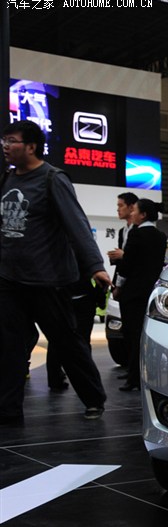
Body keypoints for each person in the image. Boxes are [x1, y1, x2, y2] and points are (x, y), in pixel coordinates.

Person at [0, 120, 112, 423]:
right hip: (9, 278)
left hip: (47, 280)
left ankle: (93, 398)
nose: (6, 146)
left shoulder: (52, 178)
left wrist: (95, 266)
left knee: (66, 342)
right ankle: (9, 411)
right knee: (10, 345)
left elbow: (77, 224)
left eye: (11, 141)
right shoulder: (7, 178)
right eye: (4, 141)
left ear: (31, 146)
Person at [114, 198, 167, 392]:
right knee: (144, 334)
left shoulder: (136, 234)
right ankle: (142, 374)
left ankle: (133, 377)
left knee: (131, 334)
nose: (132, 213)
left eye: (134, 210)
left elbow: (126, 266)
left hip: (133, 292)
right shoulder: (161, 236)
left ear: (143, 215)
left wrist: (118, 284)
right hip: (150, 291)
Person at [107, 191, 138, 380]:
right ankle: (129, 369)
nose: (118, 209)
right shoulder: (122, 231)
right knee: (125, 329)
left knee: (134, 330)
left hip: (135, 287)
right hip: (122, 284)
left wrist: (124, 256)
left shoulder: (140, 231)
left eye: (121, 205)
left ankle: (135, 371)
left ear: (132, 207)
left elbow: (138, 259)